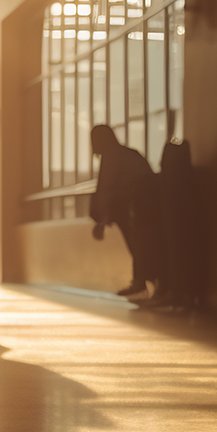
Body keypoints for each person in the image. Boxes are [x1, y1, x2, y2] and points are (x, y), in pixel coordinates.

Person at [90, 124, 165, 302]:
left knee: (139, 243)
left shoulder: (112, 157)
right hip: (148, 202)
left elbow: (105, 189)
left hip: (138, 204)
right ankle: (147, 281)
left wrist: (102, 220)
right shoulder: (126, 153)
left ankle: (142, 282)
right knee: (144, 243)